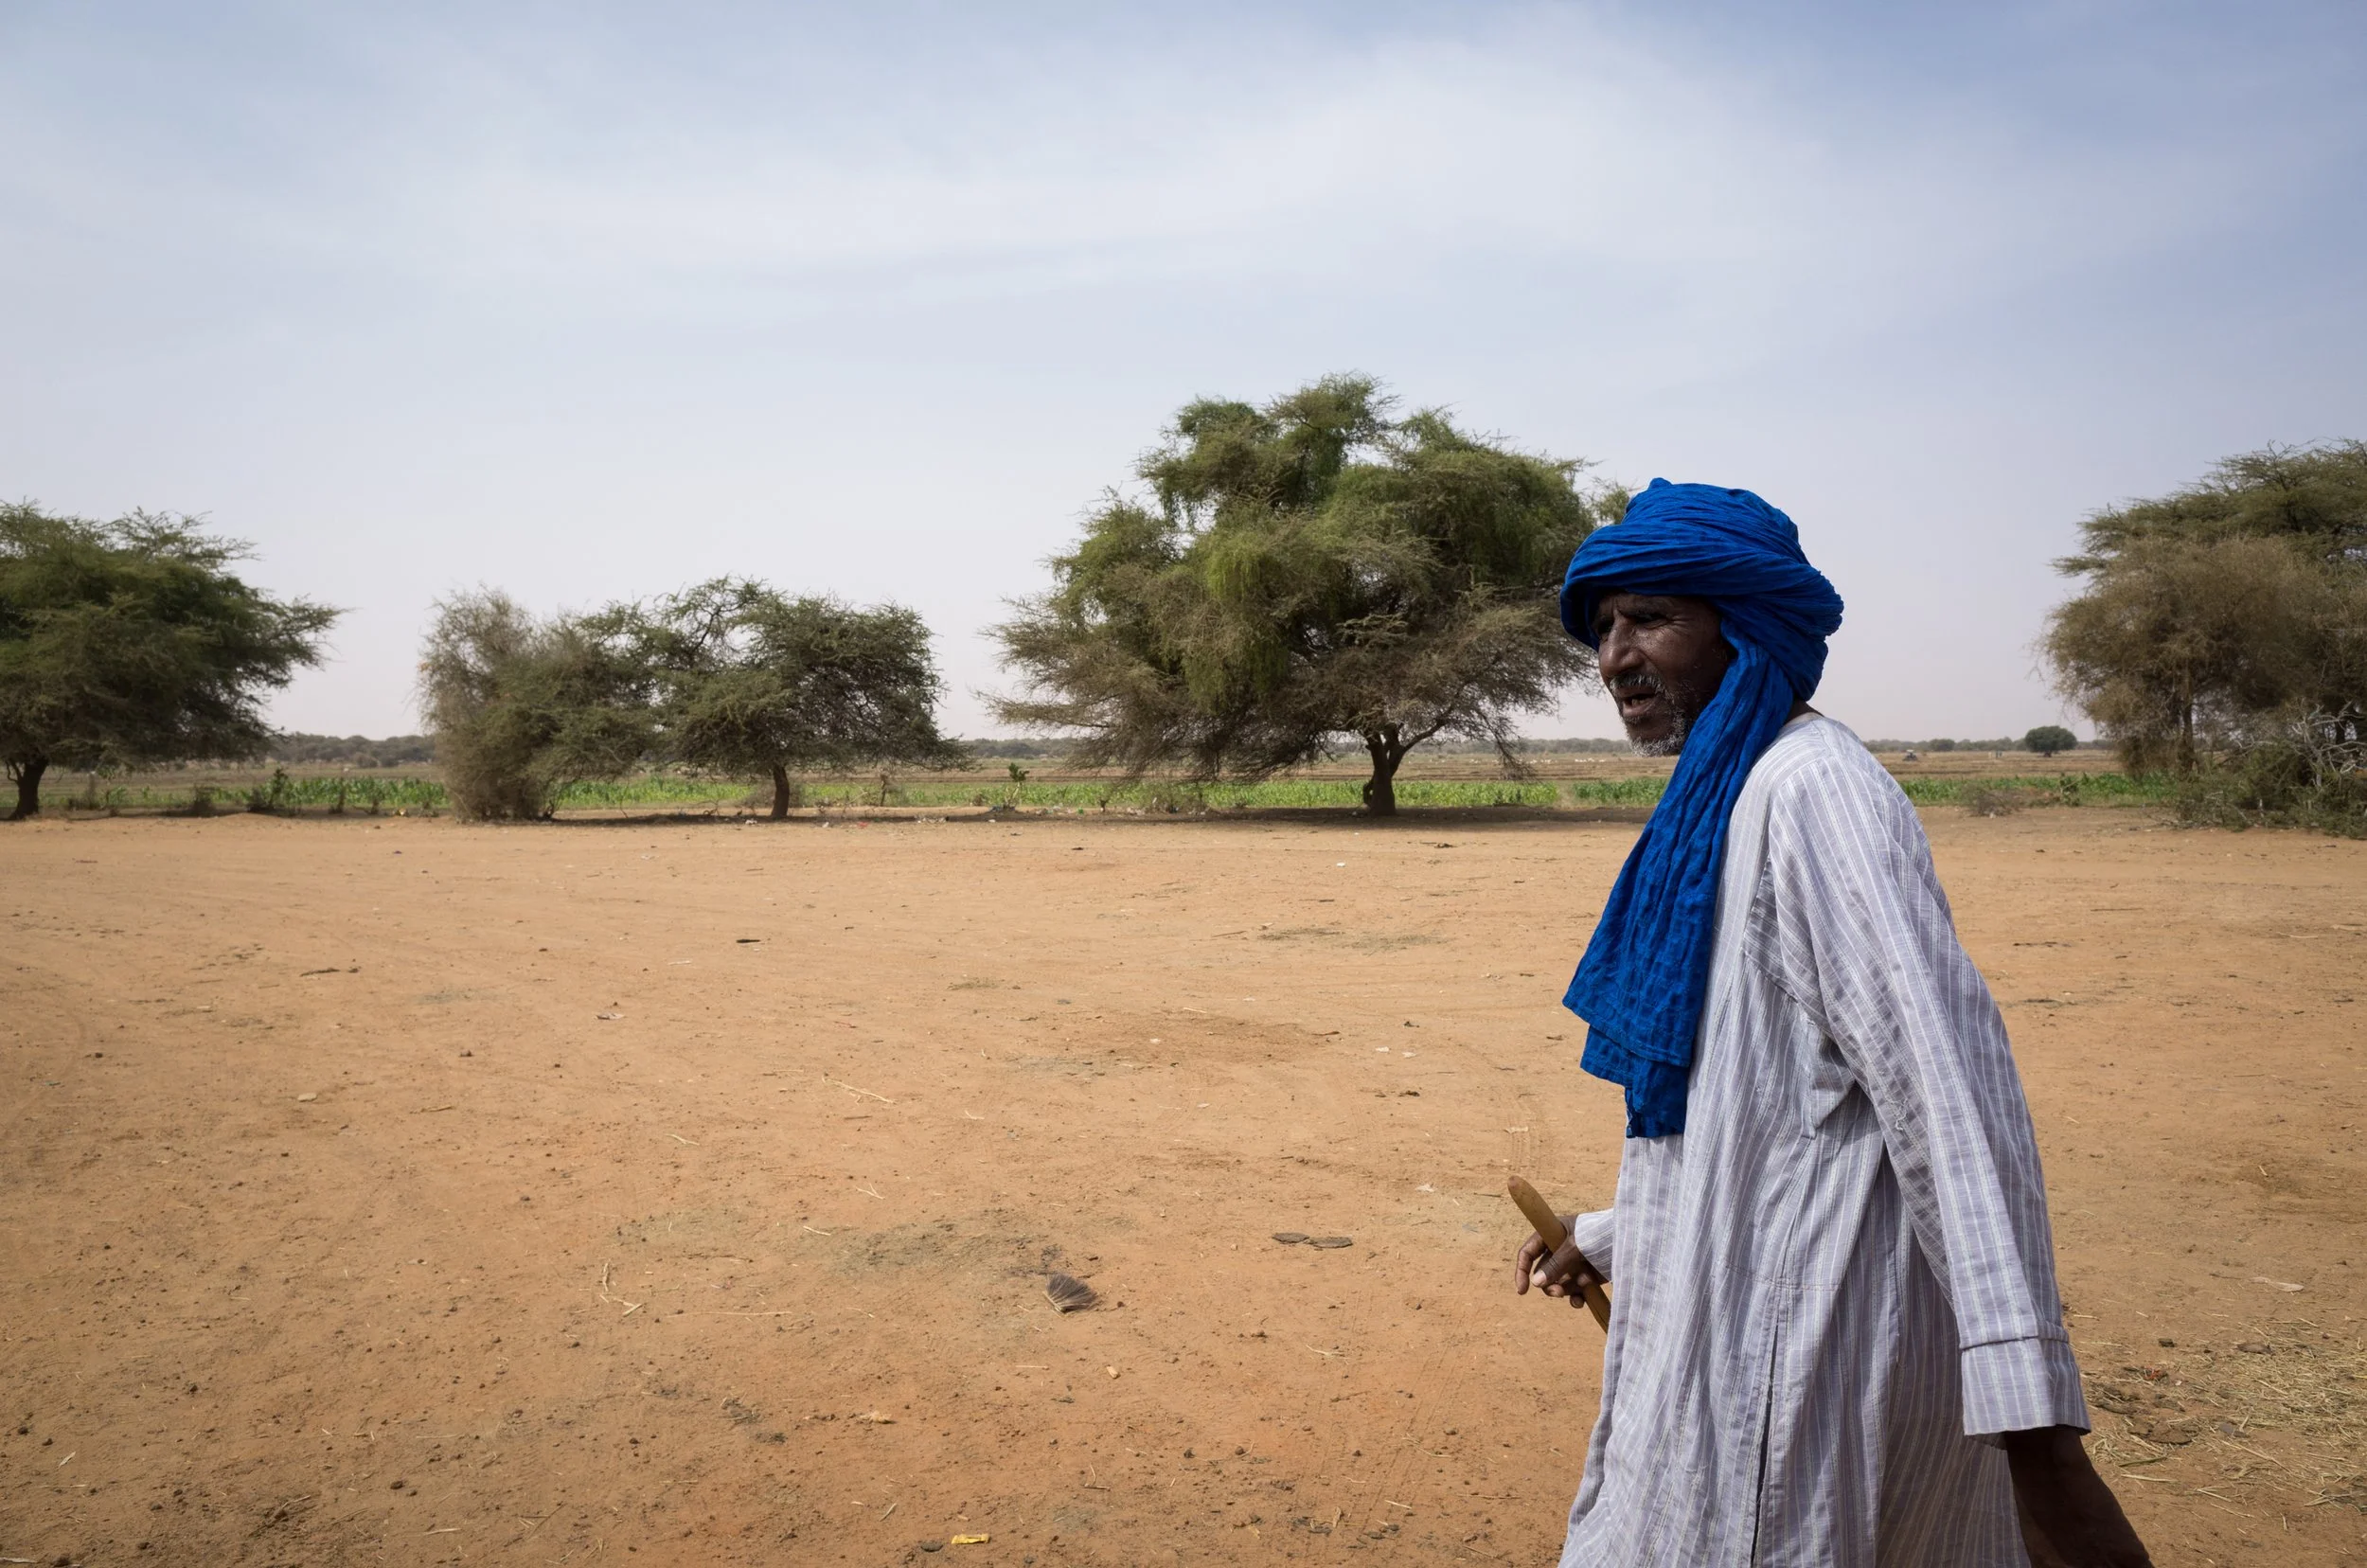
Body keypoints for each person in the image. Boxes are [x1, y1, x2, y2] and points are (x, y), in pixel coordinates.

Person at [1513, 480, 2150, 1567]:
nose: (1615, 657)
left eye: (1652, 619)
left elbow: (1948, 1102)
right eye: (1604, 626)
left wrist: (2029, 1411)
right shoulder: (1727, 794)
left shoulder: (1814, 794)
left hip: (1797, 1360)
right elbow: (1764, 1109)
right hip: (1738, 1324)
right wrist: (1613, 1229)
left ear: (1746, 628)